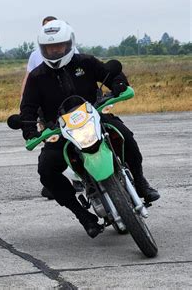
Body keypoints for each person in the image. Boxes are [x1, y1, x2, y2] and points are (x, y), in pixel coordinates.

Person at [20, 20, 160, 238]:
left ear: (69, 44)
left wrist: (119, 84)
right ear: (42, 49)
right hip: (61, 131)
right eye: (49, 48)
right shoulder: (37, 77)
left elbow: (109, 73)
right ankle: (83, 216)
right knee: (46, 170)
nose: (55, 50)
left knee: (126, 137)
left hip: (95, 117)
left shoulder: (85, 62)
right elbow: (27, 108)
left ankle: (140, 183)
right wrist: (29, 130)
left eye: (59, 46)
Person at [21, 16, 80, 200]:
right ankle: (56, 183)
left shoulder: (71, 50)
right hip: (46, 105)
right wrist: (24, 101)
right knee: (51, 141)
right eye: (46, 28)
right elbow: (29, 77)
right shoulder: (35, 55)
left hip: (71, 103)